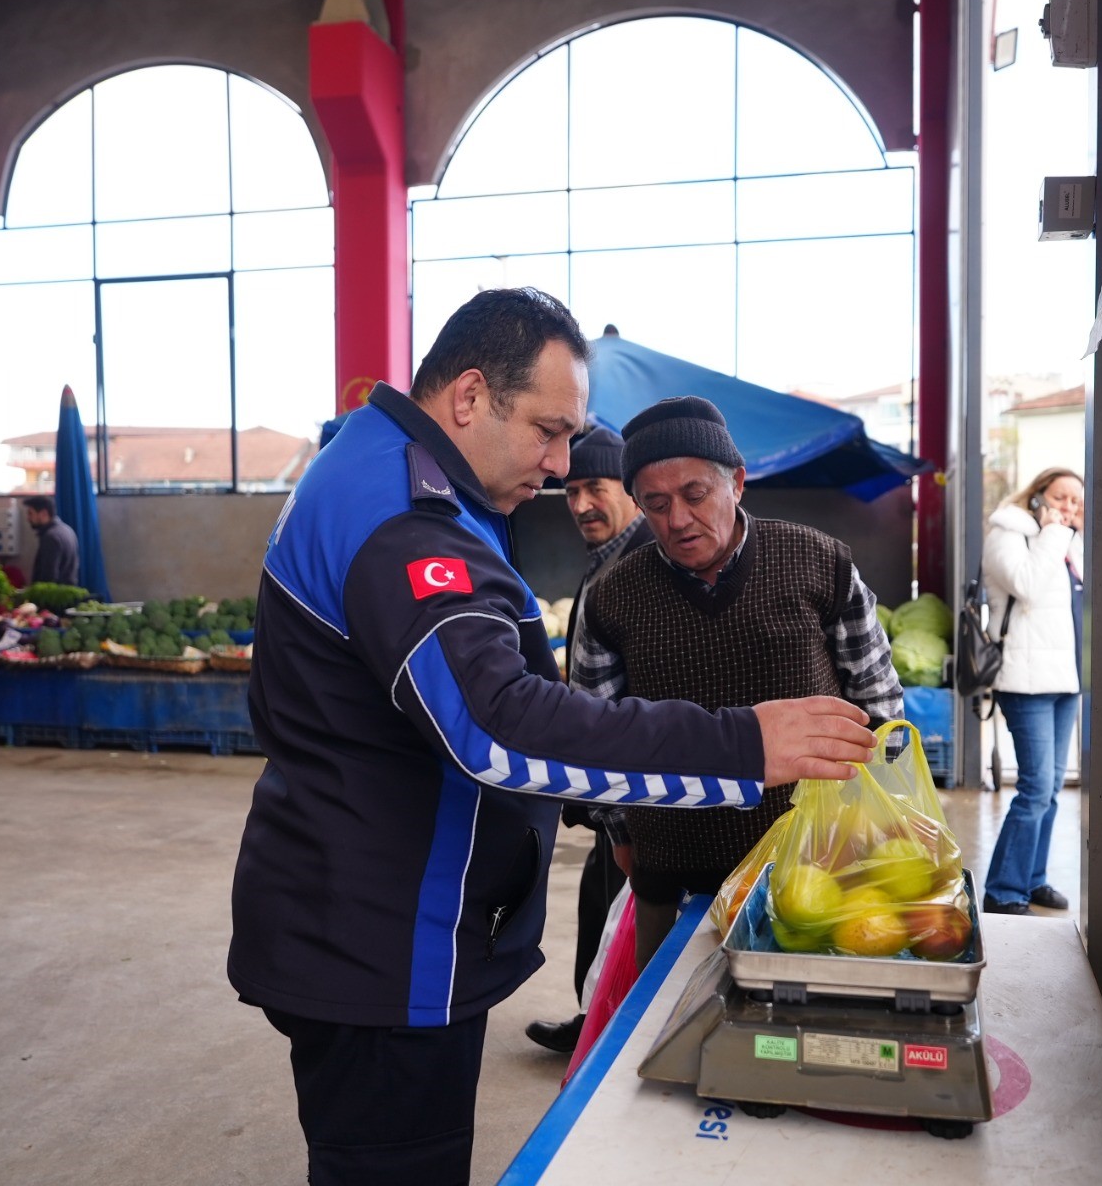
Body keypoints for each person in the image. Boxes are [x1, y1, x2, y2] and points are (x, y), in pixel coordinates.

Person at [227, 288, 876, 1186]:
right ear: (467, 398)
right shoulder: (406, 520)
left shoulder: (385, 475)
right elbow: (496, 723)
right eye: (548, 429)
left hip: (371, 916)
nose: (564, 461)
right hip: (382, 941)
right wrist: (743, 747)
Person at [575, 396, 906, 969]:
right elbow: (592, 734)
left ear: (738, 483)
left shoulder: (818, 563)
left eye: (695, 495)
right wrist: (622, 837)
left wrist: (865, 822)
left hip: (810, 868)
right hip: (671, 875)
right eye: (655, 504)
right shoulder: (612, 596)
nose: (678, 519)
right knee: (665, 1033)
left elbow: (878, 705)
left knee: (799, 1024)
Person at [523, 424, 651, 1056]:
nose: (579, 505)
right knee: (599, 905)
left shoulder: (642, 564)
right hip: (609, 784)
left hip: (633, 784)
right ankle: (594, 1018)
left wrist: (619, 811)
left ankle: (606, 1031)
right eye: (570, 491)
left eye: (593, 488)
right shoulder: (612, 559)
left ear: (627, 489)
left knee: (620, 906)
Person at [979, 466, 1085, 916]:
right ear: (1037, 496)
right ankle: (1003, 890)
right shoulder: (1009, 531)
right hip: (1025, 680)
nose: (1069, 508)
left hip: (1063, 678)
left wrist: (1062, 539)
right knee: (1035, 789)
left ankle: (1033, 878)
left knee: (1053, 789)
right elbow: (1025, 585)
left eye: (1076, 503)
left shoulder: (1064, 545)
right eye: (1061, 498)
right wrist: (1055, 535)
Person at [21, 495, 79, 585]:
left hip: (54, 596)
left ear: (44, 513)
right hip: (67, 592)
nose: (28, 518)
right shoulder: (67, 530)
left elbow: (48, 577)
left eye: (30, 513)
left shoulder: (51, 537)